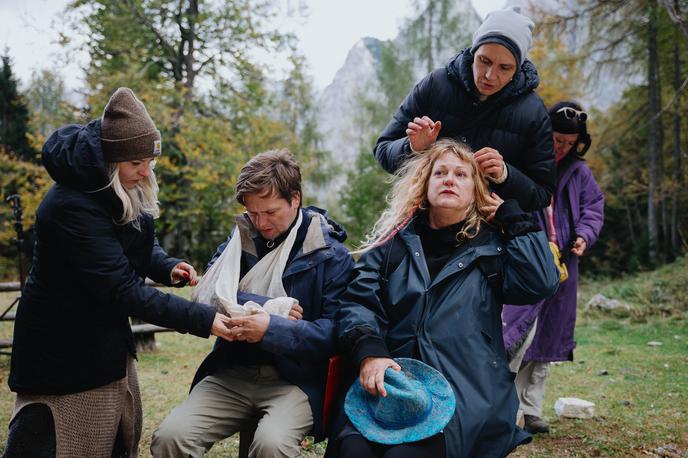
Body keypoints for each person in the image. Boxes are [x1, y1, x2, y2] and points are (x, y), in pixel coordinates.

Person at [5, 87, 236, 457]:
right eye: (136, 163)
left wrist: (165, 266)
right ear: (111, 160)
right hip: (61, 353)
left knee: (113, 437)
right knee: (54, 442)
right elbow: (121, 289)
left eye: (149, 161)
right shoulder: (71, 206)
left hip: (103, 342)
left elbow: (137, 246)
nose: (145, 171)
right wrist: (202, 318)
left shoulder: (123, 186)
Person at [332, 138, 560, 458]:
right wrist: (369, 352)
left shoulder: (492, 248)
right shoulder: (393, 243)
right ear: (424, 185)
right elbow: (358, 301)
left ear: (476, 190)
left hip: (463, 392)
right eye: (440, 173)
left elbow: (541, 283)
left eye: (461, 174)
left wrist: (518, 223)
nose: (449, 179)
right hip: (392, 381)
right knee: (353, 451)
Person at [152, 150, 355, 458]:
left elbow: (334, 334)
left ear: (295, 199)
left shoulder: (331, 255)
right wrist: (269, 307)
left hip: (295, 379)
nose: (260, 223)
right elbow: (208, 294)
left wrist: (271, 328)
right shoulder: (239, 240)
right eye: (253, 213)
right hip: (232, 370)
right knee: (170, 437)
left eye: (270, 212)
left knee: (271, 446)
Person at [374, 6, 554, 212]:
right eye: (484, 61)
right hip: (423, 224)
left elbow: (542, 195)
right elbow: (383, 150)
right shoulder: (435, 85)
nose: (489, 75)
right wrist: (413, 148)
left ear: (518, 67)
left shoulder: (534, 113)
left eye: (504, 68)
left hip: (490, 233)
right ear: (473, 51)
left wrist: (505, 174)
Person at [502, 101, 604, 434]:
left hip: (564, 265)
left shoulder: (579, 172)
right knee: (517, 335)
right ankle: (506, 409)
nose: (560, 148)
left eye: (567, 143)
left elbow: (593, 208)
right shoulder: (526, 164)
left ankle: (531, 410)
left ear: (578, 142)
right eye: (556, 140)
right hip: (529, 261)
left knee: (546, 340)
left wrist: (584, 237)